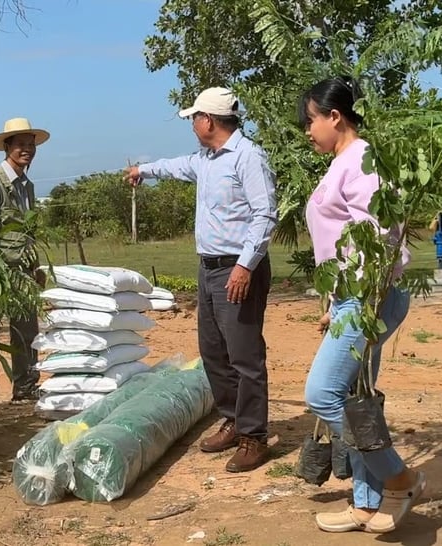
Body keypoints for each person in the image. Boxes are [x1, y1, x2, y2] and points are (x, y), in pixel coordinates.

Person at [124, 87, 278, 473]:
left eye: (194, 118)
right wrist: (143, 171)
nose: (192, 124)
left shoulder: (248, 157)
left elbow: (265, 215)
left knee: (244, 355)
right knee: (213, 350)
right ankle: (233, 419)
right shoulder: (206, 159)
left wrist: (245, 266)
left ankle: (254, 437)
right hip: (208, 268)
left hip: (238, 269)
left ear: (208, 120)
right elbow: (175, 166)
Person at [300, 76, 426, 533]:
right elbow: (347, 242)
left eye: (310, 120)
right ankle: (366, 503)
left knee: (322, 393)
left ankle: (401, 479)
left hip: (369, 296)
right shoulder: (344, 162)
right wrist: (335, 302)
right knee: (356, 401)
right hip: (351, 298)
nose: (307, 131)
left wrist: (355, 301)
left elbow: (379, 239)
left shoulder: (361, 162)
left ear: (335, 116)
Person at [0, 117, 50, 403]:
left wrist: (35, 266)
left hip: (22, 271)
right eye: (20, 145)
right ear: (7, 147)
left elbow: (27, 232)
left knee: (27, 330)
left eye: (31, 144)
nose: (27, 150)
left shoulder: (27, 186)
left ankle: (26, 386)